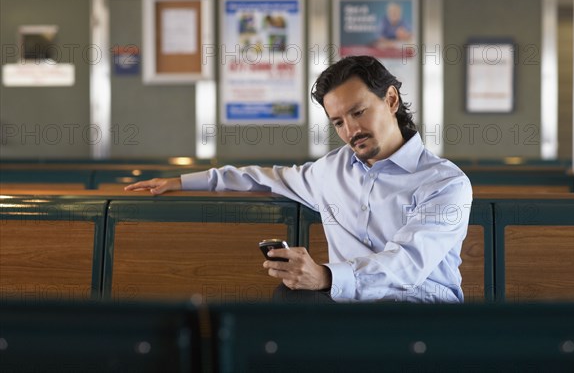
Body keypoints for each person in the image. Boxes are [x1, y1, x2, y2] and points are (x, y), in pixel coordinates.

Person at [125, 56, 472, 303]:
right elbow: (263, 178)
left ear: (391, 99)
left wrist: (327, 276)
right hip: (349, 312)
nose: (350, 131)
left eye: (358, 112)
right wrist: (184, 182)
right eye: (338, 122)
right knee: (289, 299)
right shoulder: (331, 171)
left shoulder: (445, 184)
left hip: (421, 317)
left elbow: (406, 265)